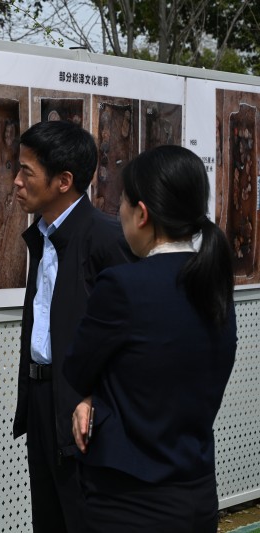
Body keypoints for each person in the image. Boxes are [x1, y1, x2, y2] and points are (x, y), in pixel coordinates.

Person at [64, 145, 237, 532]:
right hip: (196, 493)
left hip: (129, 500)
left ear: (142, 214)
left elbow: (77, 368)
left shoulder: (123, 285)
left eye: (123, 202)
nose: (119, 213)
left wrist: (89, 397)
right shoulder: (215, 284)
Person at [11, 120, 134, 532]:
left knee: (83, 520)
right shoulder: (43, 236)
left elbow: (131, 333)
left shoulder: (105, 239)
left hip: (83, 409)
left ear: (63, 181)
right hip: (42, 399)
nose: (17, 182)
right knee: (47, 519)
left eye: (27, 171)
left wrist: (96, 397)